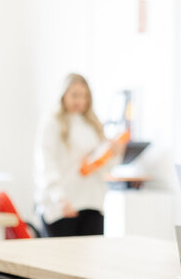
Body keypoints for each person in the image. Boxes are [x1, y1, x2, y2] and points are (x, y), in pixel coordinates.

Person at [34, 73, 126, 237]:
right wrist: (59, 197)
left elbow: (103, 167)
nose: (79, 101)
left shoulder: (92, 125)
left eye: (83, 96)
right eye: (74, 95)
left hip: (91, 203)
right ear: (63, 95)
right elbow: (46, 163)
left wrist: (115, 153)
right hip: (62, 206)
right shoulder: (52, 122)